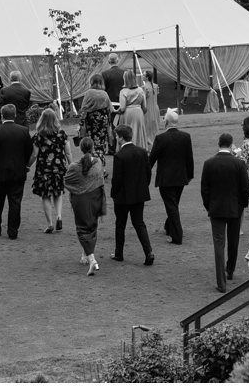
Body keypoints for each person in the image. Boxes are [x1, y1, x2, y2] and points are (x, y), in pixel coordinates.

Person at [200, 132, 249, 293]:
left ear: (218, 144)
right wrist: (242, 205)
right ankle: (230, 269)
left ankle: (221, 282)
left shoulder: (209, 163)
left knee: (219, 244)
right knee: (233, 239)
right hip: (235, 208)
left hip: (216, 208)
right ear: (231, 145)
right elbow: (245, 188)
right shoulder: (239, 164)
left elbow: (204, 189)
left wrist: (209, 206)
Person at [0, 104, 35, 239]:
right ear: (15, 115)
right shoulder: (24, 131)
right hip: (18, 172)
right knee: (15, 202)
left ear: (2, 116)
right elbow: (29, 150)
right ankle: (13, 230)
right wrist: (23, 163)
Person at [109, 124, 155, 265]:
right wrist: (142, 187)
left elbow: (117, 179)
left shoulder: (119, 156)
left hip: (123, 196)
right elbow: (148, 173)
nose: (116, 138)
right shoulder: (142, 152)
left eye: (117, 136)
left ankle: (119, 253)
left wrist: (114, 194)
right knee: (139, 223)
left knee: (120, 224)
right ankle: (148, 252)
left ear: (121, 138)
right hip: (138, 194)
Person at [148, 108, 194, 245]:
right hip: (180, 177)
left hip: (166, 178)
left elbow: (152, 159)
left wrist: (145, 170)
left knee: (172, 206)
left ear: (166, 122)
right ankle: (169, 227)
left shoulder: (160, 138)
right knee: (174, 204)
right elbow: (189, 158)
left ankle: (177, 235)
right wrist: (189, 175)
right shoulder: (185, 136)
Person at [64, 136, 107, 276]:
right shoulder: (98, 163)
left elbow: (67, 181)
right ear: (93, 147)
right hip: (96, 199)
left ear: (80, 148)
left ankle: (92, 259)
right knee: (92, 226)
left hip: (81, 201)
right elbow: (100, 180)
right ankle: (86, 253)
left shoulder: (74, 167)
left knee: (82, 229)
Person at [32, 107, 71, 233]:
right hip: (59, 169)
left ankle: (50, 223)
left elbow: (34, 154)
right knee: (58, 192)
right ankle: (59, 216)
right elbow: (68, 153)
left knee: (46, 195)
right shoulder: (62, 134)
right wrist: (70, 165)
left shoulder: (38, 136)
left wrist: (27, 165)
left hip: (43, 170)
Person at [80, 73, 116, 160]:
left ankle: (90, 160)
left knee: (90, 142)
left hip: (91, 122)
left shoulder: (89, 93)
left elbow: (84, 108)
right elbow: (110, 109)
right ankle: (100, 162)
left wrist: (81, 124)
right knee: (101, 143)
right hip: (103, 122)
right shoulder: (104, 94)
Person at [118, 70, 151, 148]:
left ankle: (128, 148)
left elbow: (122, 108)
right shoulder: (140, 90)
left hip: (128, 113)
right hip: (138, 113)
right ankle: (140, 147)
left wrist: (116, 111)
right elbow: (144, 107)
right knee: (138, 131)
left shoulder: (123, 91)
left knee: (128, 131)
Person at [141, 70, 160, 146]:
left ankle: (150, 142)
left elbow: (143, 99)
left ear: (147, 77)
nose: (142, 76)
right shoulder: (156, 86)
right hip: (155, 108)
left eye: (143, 75)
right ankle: (154, 142)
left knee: (147, 127)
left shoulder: (144, 87)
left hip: (148, 109)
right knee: (154, 127)